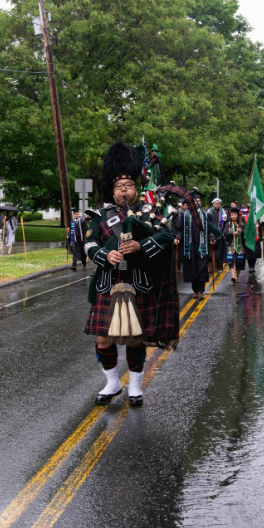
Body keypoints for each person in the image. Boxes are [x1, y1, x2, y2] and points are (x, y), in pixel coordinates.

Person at [83, 142, 200, 407]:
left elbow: (166, 235)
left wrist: (139, 246)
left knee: (135, 339)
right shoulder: (100, 216)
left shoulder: (150, 213)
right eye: (118, 186)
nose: (123, 190)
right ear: (112, 191)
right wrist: (105, 256)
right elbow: (89, 243)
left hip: (137, 284)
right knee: (104, 338)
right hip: (108, 284)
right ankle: (112, 382)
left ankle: (135, 387)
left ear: (136, 188)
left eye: (128, 185)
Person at [182, 189, 221, 299]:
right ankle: (195, 290)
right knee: (192, 268)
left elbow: (211, 228)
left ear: (200, 202)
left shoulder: (206, 215)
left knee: (202, 267)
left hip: (202, 246)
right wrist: (177, 238)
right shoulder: (186, 215)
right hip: (190, 247)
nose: (196, 202)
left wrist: (212, 238)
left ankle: (201, 291)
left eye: (198, 200)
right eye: (194, 201)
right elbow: (179, 229)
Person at [225, 208, 246, 282]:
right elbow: (225, 233)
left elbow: (245, 233)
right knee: (232, 261)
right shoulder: (228, 224)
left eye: (235, 215)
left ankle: (237, 277)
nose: (233, 216)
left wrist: (241, 231)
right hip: (231, 246)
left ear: (237, 215)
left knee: (239, 262)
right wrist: (233, 233)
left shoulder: (241, 224)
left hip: (240, 246)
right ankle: (233, 276)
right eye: (232, 215)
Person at [207, 198, 228, 269]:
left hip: (220, 234)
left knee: (220, 251)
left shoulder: (223, 213)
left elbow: (226, 224)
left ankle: (219, 267)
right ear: (213, 204)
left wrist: (224, 232)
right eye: (216, 203)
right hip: (211, 233)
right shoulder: (209, 212)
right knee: (210, 251)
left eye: (218, 204)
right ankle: (210, 267)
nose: (217, 205)